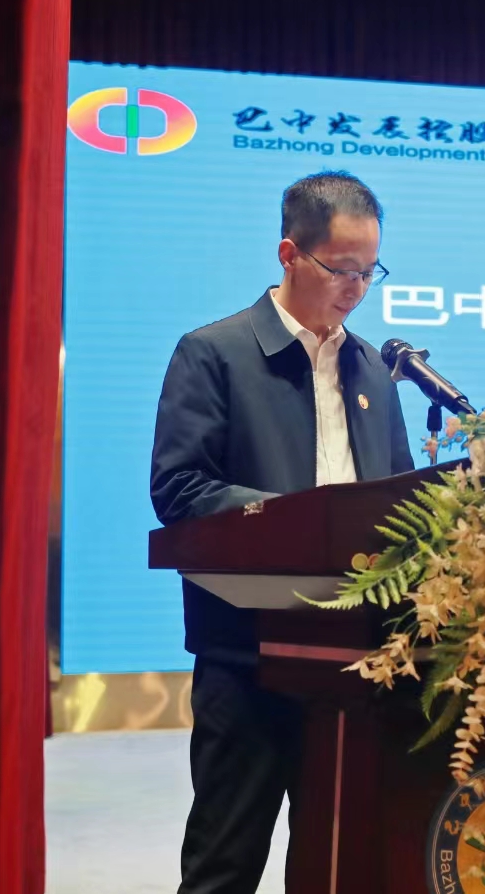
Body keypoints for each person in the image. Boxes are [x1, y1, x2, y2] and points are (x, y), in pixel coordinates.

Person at [150, 170, 415, 894]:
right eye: (341, 268)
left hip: (359, 660)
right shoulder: (214, 352)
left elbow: (398, 501)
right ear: (289, 254)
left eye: (370, 271)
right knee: (226, 861)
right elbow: (180, 488)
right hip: (252, 653)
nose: (357, 288)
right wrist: (304, 520)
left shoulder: (374, 370)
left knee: (344, 862)